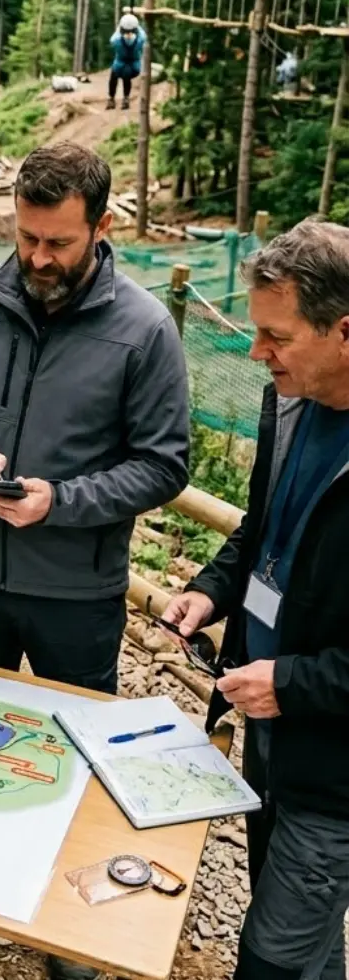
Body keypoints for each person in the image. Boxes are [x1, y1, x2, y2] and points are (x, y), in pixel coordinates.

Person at [0, 142, 189, 979]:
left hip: (77, 592)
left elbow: (164, 463)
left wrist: (58, 503)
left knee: (72, 754)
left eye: (58, 243)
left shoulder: (145, 329)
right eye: (28, 238)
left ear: (102, 229)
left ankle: (68, 923)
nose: (36, 258)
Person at [163, 220, 349, 980]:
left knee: (269, 957)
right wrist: (212, 591)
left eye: (276, 335)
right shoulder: (294, 399)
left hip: (333, 768)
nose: (254, 353)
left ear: (344, 331)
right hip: (269, 723)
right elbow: (262, 531)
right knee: (303, 935)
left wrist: (292, 682)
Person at [108, 12, 147, 110]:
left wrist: (123, 23)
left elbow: (116, 34)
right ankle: (126, 98)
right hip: (135, 66)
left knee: (113, 76)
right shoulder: (140, 39)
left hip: (119, 64)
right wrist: (134, 23)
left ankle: (111, 99)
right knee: (127, 76)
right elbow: (141, 32)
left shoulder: (116, 40)